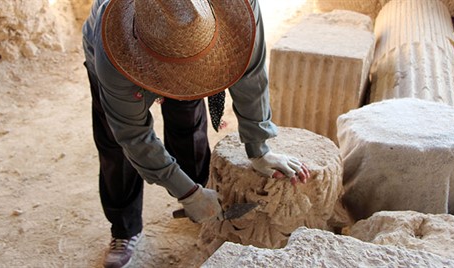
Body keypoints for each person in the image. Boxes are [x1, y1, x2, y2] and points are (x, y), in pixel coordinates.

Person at [82, 0, 311, 267]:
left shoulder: (242, 8)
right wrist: (185, 191)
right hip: (125, 51)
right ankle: (124, 228)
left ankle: (202, 205)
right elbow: (133, 135)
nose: (177, 84)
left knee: (188, 125)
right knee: (115, 148)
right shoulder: (113, 52)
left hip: (195, 47)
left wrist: (258, 147)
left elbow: (251, 74)